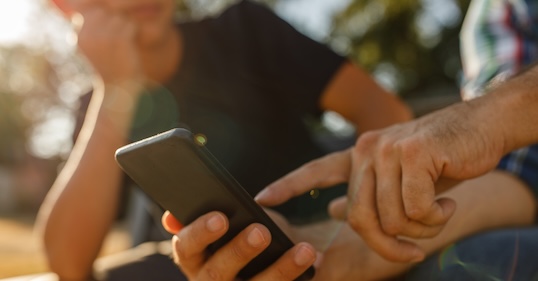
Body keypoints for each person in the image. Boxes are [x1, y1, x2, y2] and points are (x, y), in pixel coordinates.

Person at [36, 0, 412, 280]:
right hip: (200, 266)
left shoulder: (244, 30)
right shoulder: (98, 106)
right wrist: (117, 87)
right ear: (69, 6)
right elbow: (67, 264)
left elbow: (388, 115)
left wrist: (352, 233)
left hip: (328, 242)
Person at [253, 0, 538, 279]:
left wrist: (494, 117)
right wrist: (330, 251)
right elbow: (521, 170)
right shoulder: (504, 11)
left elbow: (501, 134)